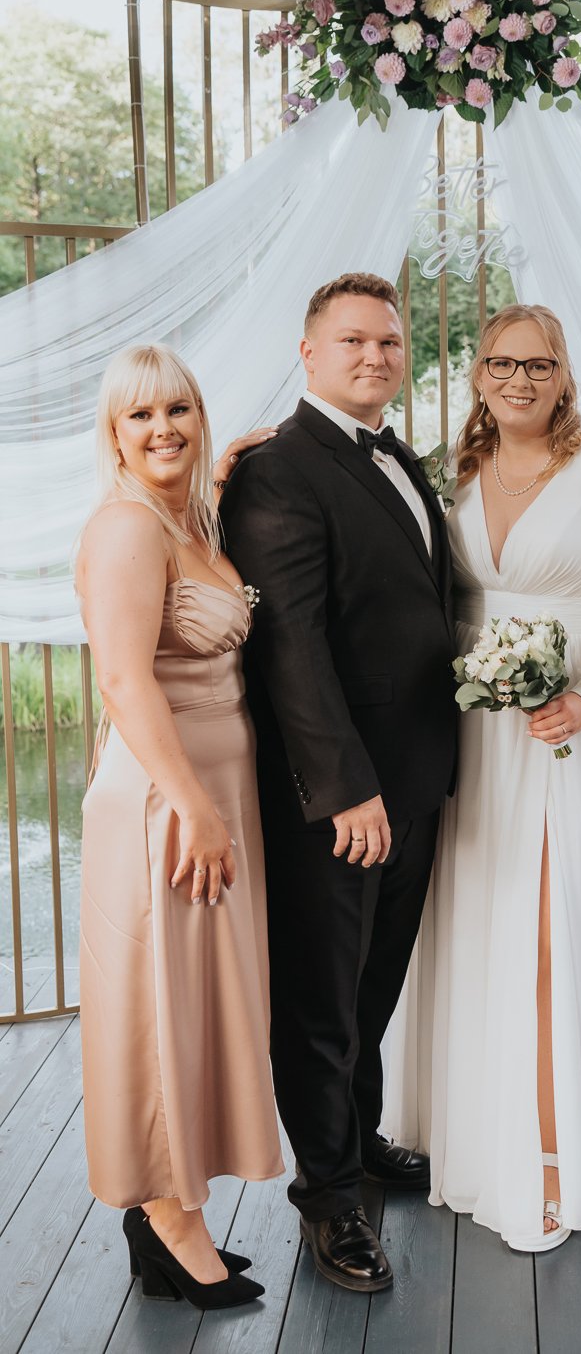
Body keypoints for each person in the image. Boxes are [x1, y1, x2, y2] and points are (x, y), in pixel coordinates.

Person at [382, 303, 581, 1253]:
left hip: (570, 727)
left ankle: (562, 1153)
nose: (518, 380)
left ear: (564, 375)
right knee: (482, 920)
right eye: (500, 363)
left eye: (538, 364)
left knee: (556, 930)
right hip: (474, 732)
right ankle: (478, 1131)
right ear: (478, 374)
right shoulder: (454, 472)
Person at [219, 272, 457, 1293]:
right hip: (339, 795)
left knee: (374, 982)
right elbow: (291, 644)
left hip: (416, 774)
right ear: (309, 353)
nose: (374, 355)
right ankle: (328, 1202)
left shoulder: (397, 455)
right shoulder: (277, 469)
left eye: (389, 341)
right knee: (322, 1001)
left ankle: (359, 1141)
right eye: (353, 340)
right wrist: (344, 788)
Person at [76, 344, 283, 1310]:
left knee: (195, 1005)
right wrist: (195, 807)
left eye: (178, 410)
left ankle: (168, 1208)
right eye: (140, 415)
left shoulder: (187, 519)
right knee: (158, 1006)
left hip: (212, 795)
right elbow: (124, 681)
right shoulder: (127, 527)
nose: (162, 429)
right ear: (113, 433)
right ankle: (170, 1220)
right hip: (166, 801)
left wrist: (222, 476)